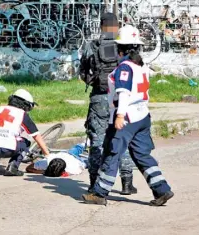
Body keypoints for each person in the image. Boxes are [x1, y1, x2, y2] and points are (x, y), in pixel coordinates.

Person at [82, 24, 174, 206]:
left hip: (127, 117)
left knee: (111, 153)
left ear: (120, 49)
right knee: (142, 155)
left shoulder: (124, 67)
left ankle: (99, 193)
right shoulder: (142, 65)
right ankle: (162, 190)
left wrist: (119, 116)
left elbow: (123, 92)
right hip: (142, 116)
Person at [79, 12, 137, 195]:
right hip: (120, 98)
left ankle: (93, 183)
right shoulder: (125, 45)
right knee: (122, 139)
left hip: (99, 97)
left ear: (102, 26)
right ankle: (127, 183)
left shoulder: (93, 45)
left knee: (96, 140)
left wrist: (94, 81)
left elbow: (83, 72)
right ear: (117, 25)